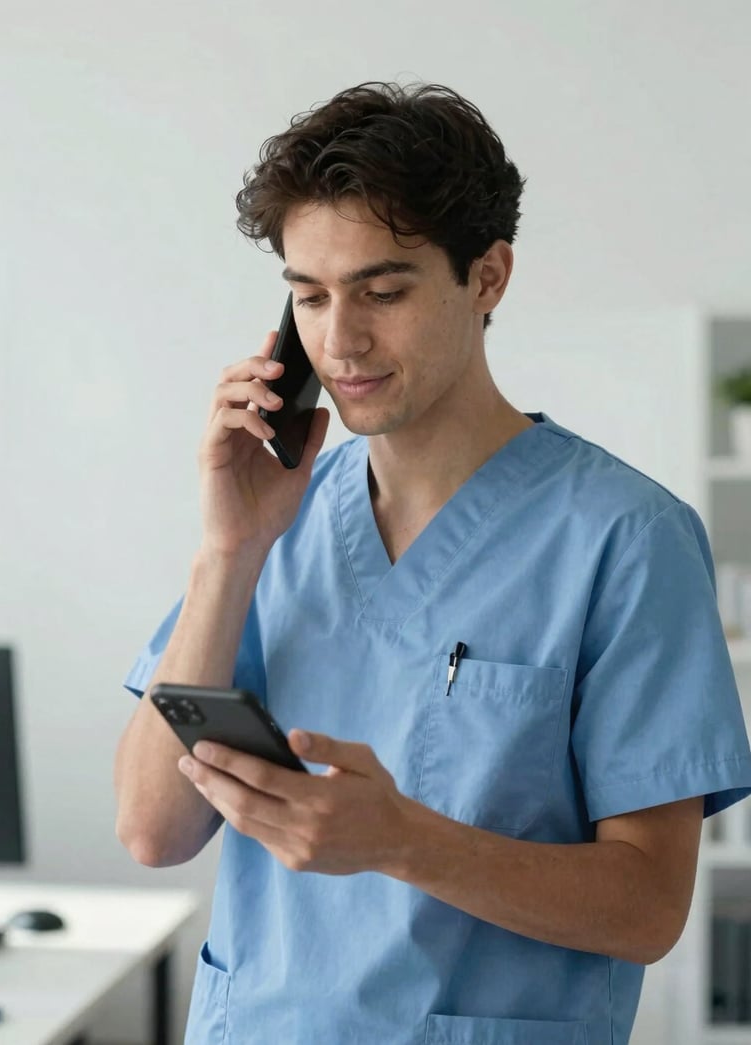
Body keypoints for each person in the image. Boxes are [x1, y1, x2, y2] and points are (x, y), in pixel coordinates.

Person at [114, 82, 751, 1045]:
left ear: (488, 276)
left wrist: (403, 840)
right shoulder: (271, 526)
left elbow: (647, 908)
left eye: (383, 290)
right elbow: (153, 830)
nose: (341, 341)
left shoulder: (626, 538)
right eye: (310, 296)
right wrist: (227, 553)